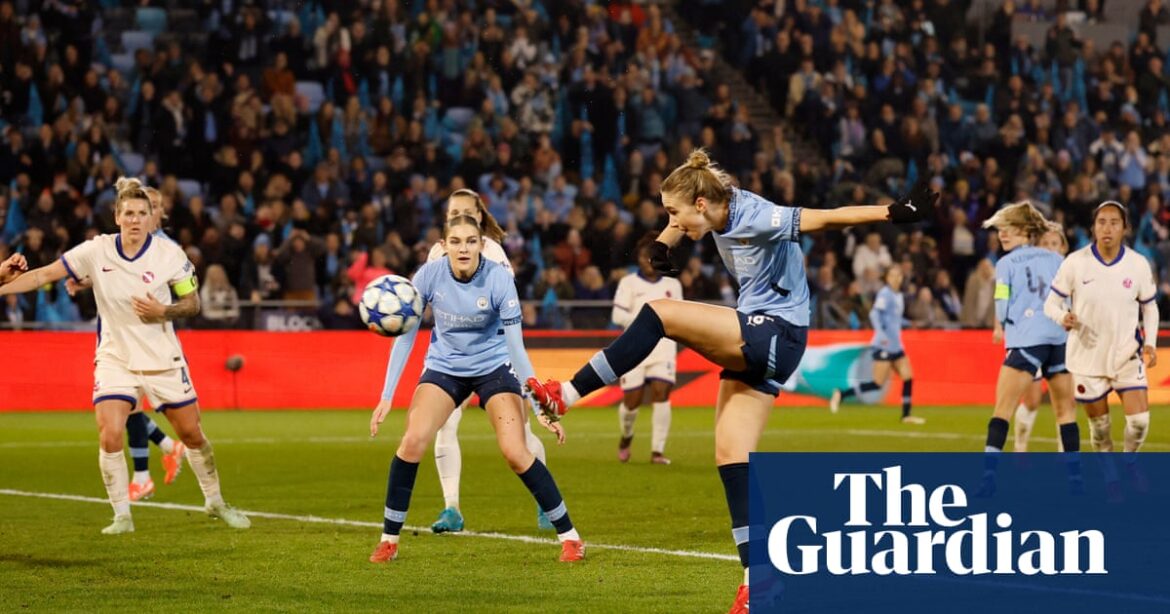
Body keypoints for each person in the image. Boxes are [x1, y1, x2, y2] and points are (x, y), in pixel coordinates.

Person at [526, 150, 936, 612]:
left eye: (674, 213)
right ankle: (758, 582)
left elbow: (824, 218)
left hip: (777, 332)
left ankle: (566, 393)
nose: (672, 222)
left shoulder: (756, 216)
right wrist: (663, 243)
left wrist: (892, 212)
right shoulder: (713, 206)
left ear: (701, 204)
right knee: (731, 457)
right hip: (763, 338)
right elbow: (682, 221)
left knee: (659, 314)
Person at [0, 178, 250, 533]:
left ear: (151, 218)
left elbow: (192, 304)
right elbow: (43, 275)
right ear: (116, 216)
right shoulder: (96, 250)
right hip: (115, 357)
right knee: (110, 433)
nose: (135, 219)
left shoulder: (169, 255)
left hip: (161, 358)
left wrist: (163, 311)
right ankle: (122, 515)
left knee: (192, 434)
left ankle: (215, 501)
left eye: (142, 213)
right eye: (128, 213)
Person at [368, 215, 583, 564]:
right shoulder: (429, 275)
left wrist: (539, 404)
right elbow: (406, 335)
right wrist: (386, 395)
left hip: (494, 369)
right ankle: (389, 541)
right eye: (456, 242)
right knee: (412, 441)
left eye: (471, 241)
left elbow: (516, 348)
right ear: (444, 246)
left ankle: (571, 538)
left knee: (515, 452)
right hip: (444, 369)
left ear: (482, 245)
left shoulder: (499, 279)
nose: (463, 248)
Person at [412, 188, 552, 532]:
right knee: (446, 425)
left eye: (464, 212)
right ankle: (452, 509)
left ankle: (545, 502)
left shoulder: (493, 254)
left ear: (478, 217)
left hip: (494, 356)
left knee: (520, 434)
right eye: (451, 213)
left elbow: (502, 308)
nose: (457, 217)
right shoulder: (437, 252)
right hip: (450, 358)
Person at [66, 183, 187, 501]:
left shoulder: (164, 249)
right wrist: (85, 281)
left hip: (148, 342)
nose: (147, 214)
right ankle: (164, 451)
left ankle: (146, 473)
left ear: (158, 214)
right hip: (121, 337)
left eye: (153, 207)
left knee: (128, 408)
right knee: (127, 408)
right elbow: (114, 272)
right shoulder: (129, 245)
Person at [978, 203, 1080, 497]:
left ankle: (989, 477)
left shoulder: (1006, 263)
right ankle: (1075, 478)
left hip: (1026, 341)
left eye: (1008, 228)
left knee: (1003, 410)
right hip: (1058, 341)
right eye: (1000, 229)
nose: (1002, 234)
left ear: (1025, 230)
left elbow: (1001, 303)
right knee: (1065, 412)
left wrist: (1005, 324)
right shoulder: (1056, 259)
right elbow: (1070, 298)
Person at [1045, 201, 1159, 463]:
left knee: (1140, 422)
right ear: (1093, 228)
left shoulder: (1138, 264)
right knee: (1100, 428)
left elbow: (1150, 307)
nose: (1107, 228)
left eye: (1114, 223)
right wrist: (1063, 316)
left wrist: (1150, 342)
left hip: (1126, 353)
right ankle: (1110, 476)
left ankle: (1129, 462)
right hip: (1087, 358)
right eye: (1102, 222)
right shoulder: (1075, 263)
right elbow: (1050, 304)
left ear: (1125, 228)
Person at [611, 235, 683, 464]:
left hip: (663, 347)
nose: (647, 260)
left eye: (652, 256)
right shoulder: (629, 283)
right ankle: (626, 436)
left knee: (662, 393)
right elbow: (617, 315)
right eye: (644, 256)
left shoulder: (672, 285)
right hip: (634, 346)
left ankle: (657, 452)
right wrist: (645, 322)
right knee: (632, 402)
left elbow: (680, 316)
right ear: (639, 258)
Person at [828, 266, 925, 424]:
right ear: (887, 278)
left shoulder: (899, 295)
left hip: (896, 346)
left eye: (898, 275)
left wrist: (910, 323)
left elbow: (895, 319)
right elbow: (874, 314)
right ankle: (841, 394)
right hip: (883, 345)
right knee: (877, 384)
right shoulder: (885, 294)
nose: (896, 278)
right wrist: (882, 335)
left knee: (908, 377)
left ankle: (906, 415)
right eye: (892, 275)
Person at [1009, 223, 1070, 451]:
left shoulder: (1072, 273)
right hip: (1032, 340)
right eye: (1045, 243)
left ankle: (1065, 457)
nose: (1050, 248)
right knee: (1033, 400)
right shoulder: (1026, 271)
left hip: (1061, 341)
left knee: (1065, 403)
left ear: (1063, 247)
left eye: (1054, 243)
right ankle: (1020, 447)